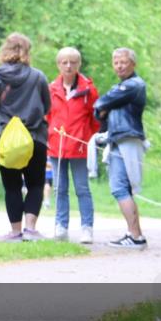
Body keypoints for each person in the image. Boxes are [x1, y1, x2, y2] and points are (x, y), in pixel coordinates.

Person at [0, 33, 51, 241]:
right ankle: (31, 230)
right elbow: (47, 106)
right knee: (35, 184)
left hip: (6, 140)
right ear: (27, 51)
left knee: (12, 186)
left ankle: (16, 231)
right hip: (35, 138)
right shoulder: (38, 77)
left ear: (5, 49)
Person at [93, 47, 149, 249]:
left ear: (133, 63)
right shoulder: (123, 86)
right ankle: (135, 234)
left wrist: (104, 106)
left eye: (123, 62)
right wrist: (102, 108)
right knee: (124, 188)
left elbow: (101, 102)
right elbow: (99, 111)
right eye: (116, 62)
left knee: (119, 188)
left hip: (126, 139)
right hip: (120, 139)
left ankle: (135, 236)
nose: (119, 66)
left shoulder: (134, 84)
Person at [45, 46, 100, 244]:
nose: (68, 66)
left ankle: (87, 228)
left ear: (79, 64)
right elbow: (47, 116)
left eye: (73, 62)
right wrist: (51, 135)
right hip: (56, 148)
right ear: (58, 65)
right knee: (60, 188)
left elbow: (96, 119)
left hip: (79, 148)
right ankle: (61, 227)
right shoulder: (51, 89)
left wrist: (84, 137)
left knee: (82, 188)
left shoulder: (89, 90)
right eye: (64, 62)